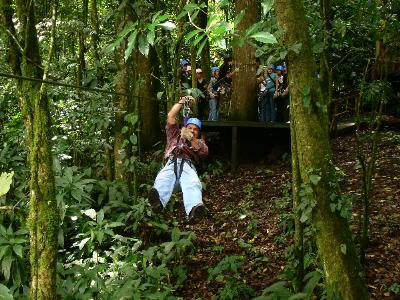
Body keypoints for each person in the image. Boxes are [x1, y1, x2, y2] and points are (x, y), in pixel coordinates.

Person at [148, 96, 208, 222]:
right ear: (185, 127)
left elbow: (203, 152)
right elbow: (170, 116)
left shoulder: (200, 142)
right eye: (190, 127)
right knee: (163, 178)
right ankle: (157, 202)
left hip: (187, 165)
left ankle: (194, 209)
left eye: (195, 129)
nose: (192, 130)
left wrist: (191, 139)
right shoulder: (174, 135)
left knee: (192, 183)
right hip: (172, 161)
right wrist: (182, 102)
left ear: (198, 132)